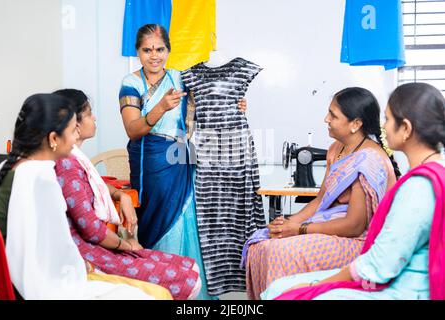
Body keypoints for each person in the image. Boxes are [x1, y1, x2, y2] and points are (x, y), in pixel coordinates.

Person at [264, 82, 445, 300]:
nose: (383, 127)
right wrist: (293, 224)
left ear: (405, 128)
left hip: (403, 288)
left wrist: (315, 285)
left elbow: (379, 264)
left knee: (285, 292)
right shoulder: (429, 175)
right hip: (395, 276)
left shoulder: (418, 188)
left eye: (388, 119)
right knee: (280, 285)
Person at [118, 24, 246, 299]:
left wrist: (236, 105)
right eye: (147, 50)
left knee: (189, 217)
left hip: (182, 155)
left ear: (168, 50)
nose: (154, 56)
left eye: (160, 49)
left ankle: (191, 290)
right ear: (138, 52)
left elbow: (212, 106)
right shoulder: (131, 83)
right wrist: (161, 106)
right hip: (151, 160)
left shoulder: (181, 78)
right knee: (158, 219)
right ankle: (159, 287)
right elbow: (133, 129)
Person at [243, 87, 399, 299]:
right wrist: (286, 225)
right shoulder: (337, 149)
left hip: (360, 242)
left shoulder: (369, 160)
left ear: (356, 124)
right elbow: (319, 200)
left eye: (333, 115)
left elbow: (354, 226)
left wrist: (299, 229)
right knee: (263, 244)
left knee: (278, 252)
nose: (326, 119)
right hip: (333, 228)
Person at [0, 94, 152, 299]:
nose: (75, 138)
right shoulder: (40, 176)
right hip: (30, 285)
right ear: (53, 139)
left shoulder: (13, 167)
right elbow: (47, 255)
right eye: (72, 131)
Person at [53, 89, 201, 300]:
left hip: (96, 245)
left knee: (190, 266)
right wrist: (128, 245)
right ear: (74, 123)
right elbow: (91, 229)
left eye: (160, 51)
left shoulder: (75, 160)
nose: (94, 117)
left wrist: (121, 196)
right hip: (86, 253)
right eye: (89, 113)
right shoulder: (67, 164)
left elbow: (96, 186)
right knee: (189, 278)